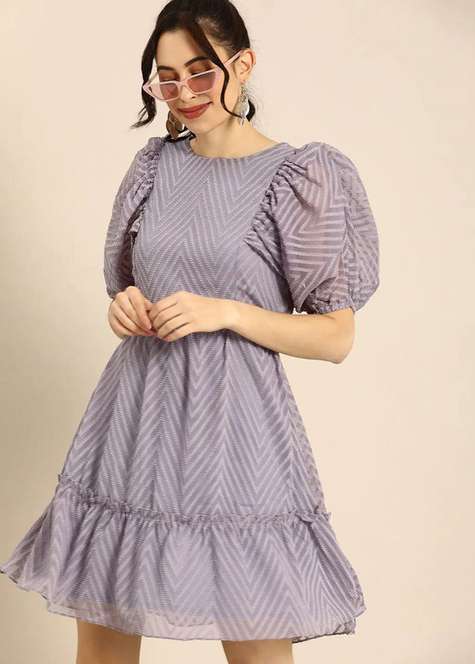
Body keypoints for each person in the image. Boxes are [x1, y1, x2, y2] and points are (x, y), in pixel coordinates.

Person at [0, 1, 380, 663]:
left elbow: (336, 336)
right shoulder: (153, 167)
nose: (184, 92)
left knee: (256, 640)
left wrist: (228, 312)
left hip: (236, 436)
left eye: (201, 72)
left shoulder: (299, 177)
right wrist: (124, 307)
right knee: (102, 637)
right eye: (167, 78)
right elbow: (129, 285)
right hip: (132, 423)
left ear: (243, 65)